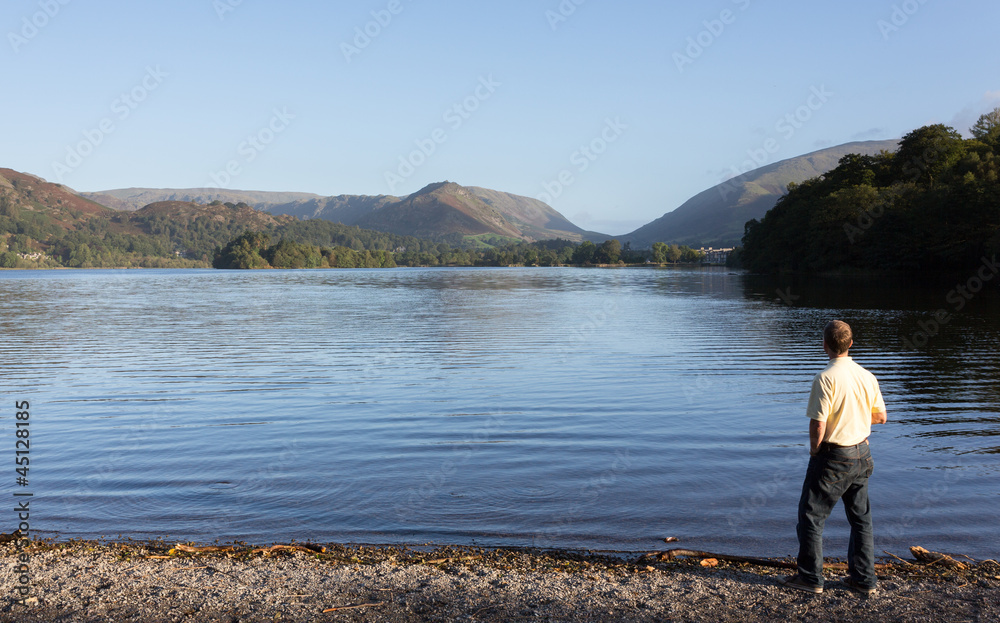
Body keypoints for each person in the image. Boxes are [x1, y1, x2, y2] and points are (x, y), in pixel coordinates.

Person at [781, 320, 887, 595]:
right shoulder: (867, 375)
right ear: (851, 344)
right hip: (862, 452)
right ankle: (864, 580)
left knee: (811, 516)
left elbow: (818, 424)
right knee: (861, 519)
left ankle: (810, 579)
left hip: (833, 455)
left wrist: (815, 450)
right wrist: (855, 420)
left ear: (825, 345)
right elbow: (880, 417)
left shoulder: (825, 378)